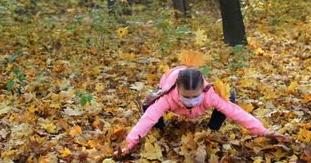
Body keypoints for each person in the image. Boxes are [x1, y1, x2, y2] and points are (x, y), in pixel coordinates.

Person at [119, 65, 288, 155]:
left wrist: (264, 131)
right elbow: (147, 118)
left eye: (195, 96)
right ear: (178, 89)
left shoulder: (210, 94)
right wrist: (129, 144)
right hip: (172, 76)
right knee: (149, 104)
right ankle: (161, 129)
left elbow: (237, 113)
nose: (191, 101)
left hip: (193, 80)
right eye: (186, 96)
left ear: (203, 89)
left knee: (230, 97)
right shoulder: (168, 96)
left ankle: (212, 129)